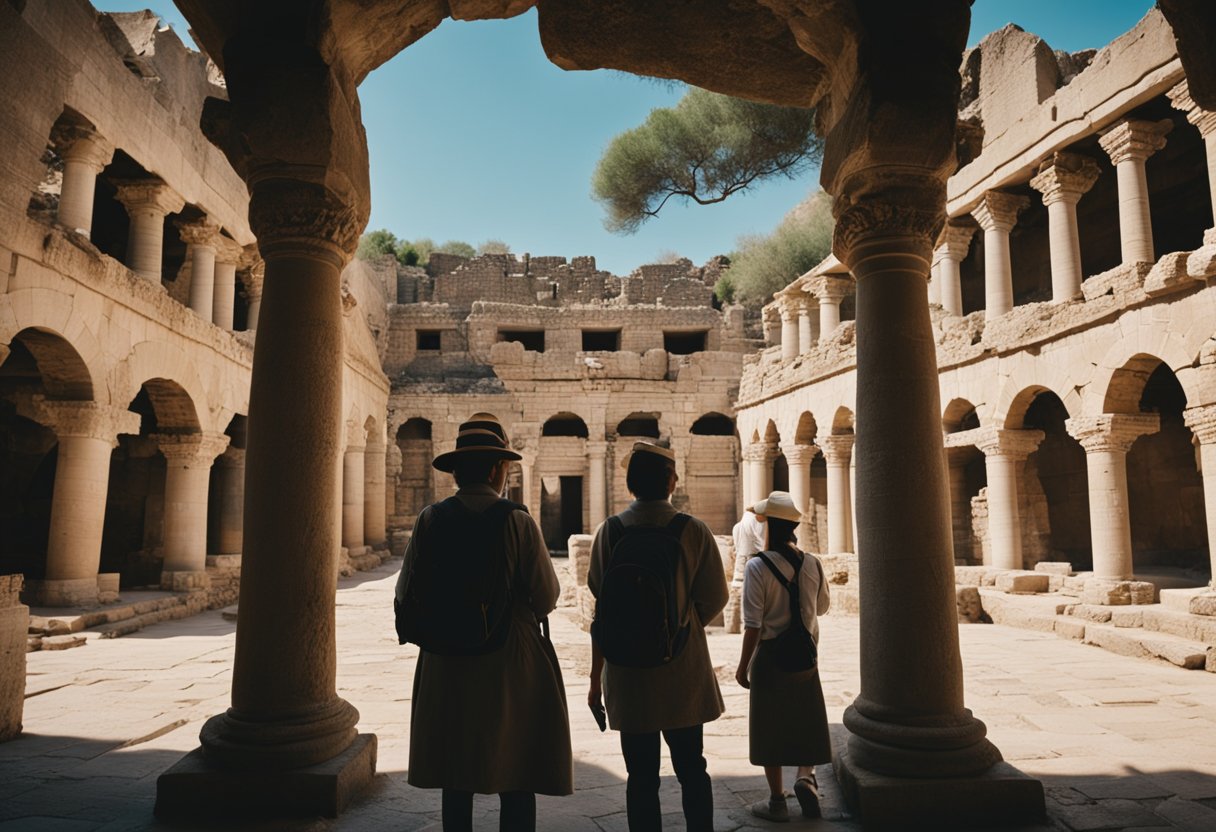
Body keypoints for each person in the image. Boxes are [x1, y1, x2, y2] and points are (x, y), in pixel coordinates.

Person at [396, 415, 572, 832]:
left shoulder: (430, 519)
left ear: (456, 471)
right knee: (517, 769)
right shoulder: (517, 521)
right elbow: (547, 596)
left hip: (445, 659)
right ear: (498, 469)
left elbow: (404, 594)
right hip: (508, 659)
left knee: (455, 774)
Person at [587, 441, 728, 832]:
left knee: (641, 777)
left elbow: (600, 591)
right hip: (681, 670)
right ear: (670, 481)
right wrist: (677, 623)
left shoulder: (610, 531)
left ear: (630, 483)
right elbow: (714, 598)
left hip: (628, 673)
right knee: (692, 768)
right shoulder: (693, 530)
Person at [734, 491, 832, 822]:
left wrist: (742, 667)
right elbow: (821, 607)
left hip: (771, 656)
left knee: (768, 727)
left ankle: (777, 801)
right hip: (805, 655)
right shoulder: (812, 562)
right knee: (809, 719)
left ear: (766, 527)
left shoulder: (757, 567)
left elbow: (752, 626)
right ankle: (806, 775)